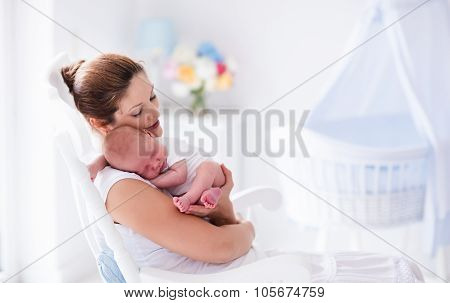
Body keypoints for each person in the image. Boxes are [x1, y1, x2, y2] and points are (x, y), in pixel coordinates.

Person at [60, 53, 423, 282]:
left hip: (241, 267)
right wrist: (247, 228)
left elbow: (220, 222)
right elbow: (221, 247)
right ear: (101, 123)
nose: (154, 115)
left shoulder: (150, 158)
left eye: (152, 96)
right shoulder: (125, 190)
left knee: (399, 270)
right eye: (138, 112)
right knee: (396, 277)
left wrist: (223, 207)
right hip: (228, 279)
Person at [103, 125, 224, 212]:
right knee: (191, 207)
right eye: (145, 169)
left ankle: (194, 197)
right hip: (192, 194)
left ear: (149, 135)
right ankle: (207, 197)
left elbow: (180, 176)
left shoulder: (170, 146)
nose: (155, 164)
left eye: (152, 153)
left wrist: (150, 182)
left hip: (213, 177)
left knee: (208, 167)